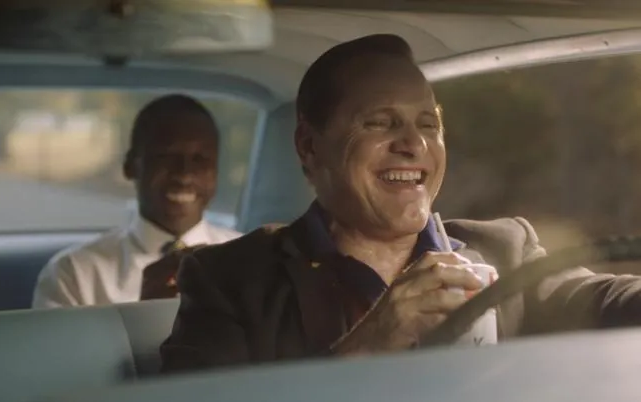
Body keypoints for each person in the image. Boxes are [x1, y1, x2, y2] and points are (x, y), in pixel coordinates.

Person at [159, 34, 641, 372]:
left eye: (428, 124)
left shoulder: (505, 248)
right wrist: (370, 344)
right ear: (309, 146)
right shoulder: (228, 280)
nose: (414, 144)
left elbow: (607, 301)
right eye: (380, 122)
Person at [32, 94, 242, 308]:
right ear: (130, 166)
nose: (184, 175)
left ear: (217, 170)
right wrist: (142, 318)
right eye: (166, 156)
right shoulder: (74, 274)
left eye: (201, 159)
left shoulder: (250, 261)